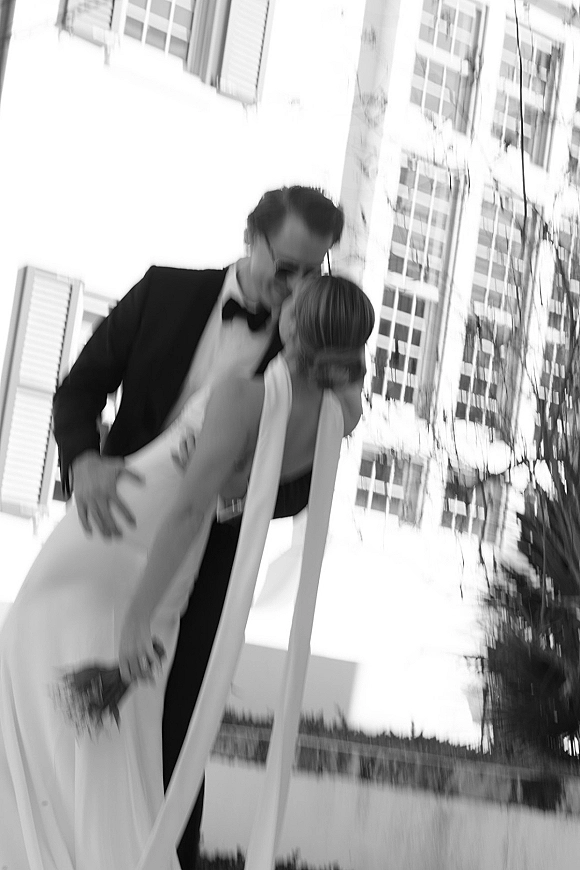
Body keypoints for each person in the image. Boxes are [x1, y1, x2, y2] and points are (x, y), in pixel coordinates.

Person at [0, 275, 375, 870]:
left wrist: (137, 620)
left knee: (28, 668)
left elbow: (190, 507)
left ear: (295, 326)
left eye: (293, 303)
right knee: (112, 728)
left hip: (121, 536)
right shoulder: (341, 413)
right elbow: (239, 489)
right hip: (170, 556)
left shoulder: (241, 395)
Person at [50, 185, 344, 868]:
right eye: (288, 267)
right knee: (57, 681)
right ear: (252, 238)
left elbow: (300, 485)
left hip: (209, 565)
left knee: (179, 724)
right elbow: (78, 389)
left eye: (315, 271)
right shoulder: (166, 293)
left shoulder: (307, 352)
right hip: (109, 531)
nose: (298, 286)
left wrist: (238, 494)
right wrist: (83, 461)